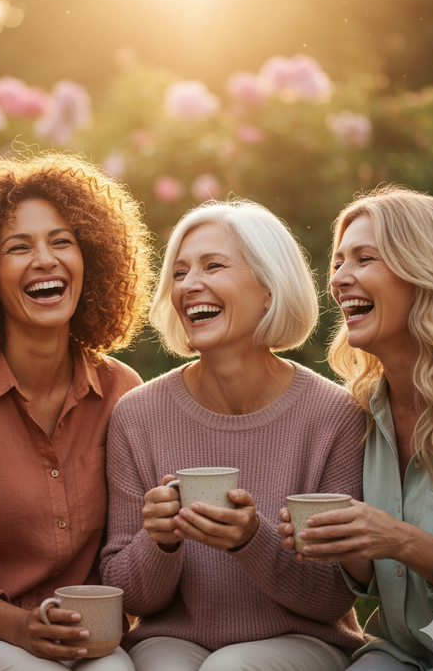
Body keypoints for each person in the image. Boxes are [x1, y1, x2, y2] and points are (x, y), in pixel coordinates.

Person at [0, 153, 153, 671]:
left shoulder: (123, 390)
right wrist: (21, 627)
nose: (46, 260)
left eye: (62, 242)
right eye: (19, 247)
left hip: (93, 637)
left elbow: (133, 544)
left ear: (91, 260)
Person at [101, 198, 366, 671]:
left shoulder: (334, 415)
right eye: (179, 273)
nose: (189, 285)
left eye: (213, 265)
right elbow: (127, 593)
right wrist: (158, 541)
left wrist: (251, 540)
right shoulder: (137, 415)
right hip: (173, 639)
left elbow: (333, 595)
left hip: (304, 638)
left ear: (269, 288)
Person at [279, 186, 433, 671]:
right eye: (339, 263)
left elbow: (400, 545)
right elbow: (372, 581)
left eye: (365, 259)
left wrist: (402, 541)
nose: (340, 279)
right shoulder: (360, 408)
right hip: (400, 651)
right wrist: (343, 544)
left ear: (426, 272)